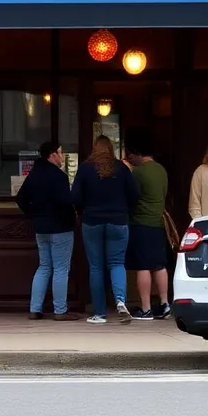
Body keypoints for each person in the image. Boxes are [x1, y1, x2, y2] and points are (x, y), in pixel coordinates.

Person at [71, 134, 139, 324]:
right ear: (111, 149)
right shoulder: (122, 168)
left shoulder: (85, 169)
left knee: (96, 267)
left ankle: (100, 313)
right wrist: (124, 209)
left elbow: (75, 196)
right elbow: (135, 194)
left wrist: (82, 210)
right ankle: (120, 301)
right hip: (118, 221)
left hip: (92, 221)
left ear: (95, 148)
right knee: (117, 263)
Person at [15, 141, 80, 321]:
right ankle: (60, 311)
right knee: (60, 268)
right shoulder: (58, 176)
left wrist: (35, 214)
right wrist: (71, 219)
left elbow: (21, 199)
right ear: (52, 155)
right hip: (60, 228)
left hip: (41, 227)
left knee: (44, 267)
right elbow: (64, 202)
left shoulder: (34, 174)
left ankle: (35, 309)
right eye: (61, 152)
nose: (63, 156)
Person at [124, 129, 170, 321]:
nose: (129, 158)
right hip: (158, 223)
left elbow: (130, 197)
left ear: (136, 153)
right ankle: (165, 303)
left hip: (140, 223)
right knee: (159, 265)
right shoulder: (161, 170)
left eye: (130, 155)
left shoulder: (138, 173)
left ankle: (145, 308)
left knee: (143, 266)